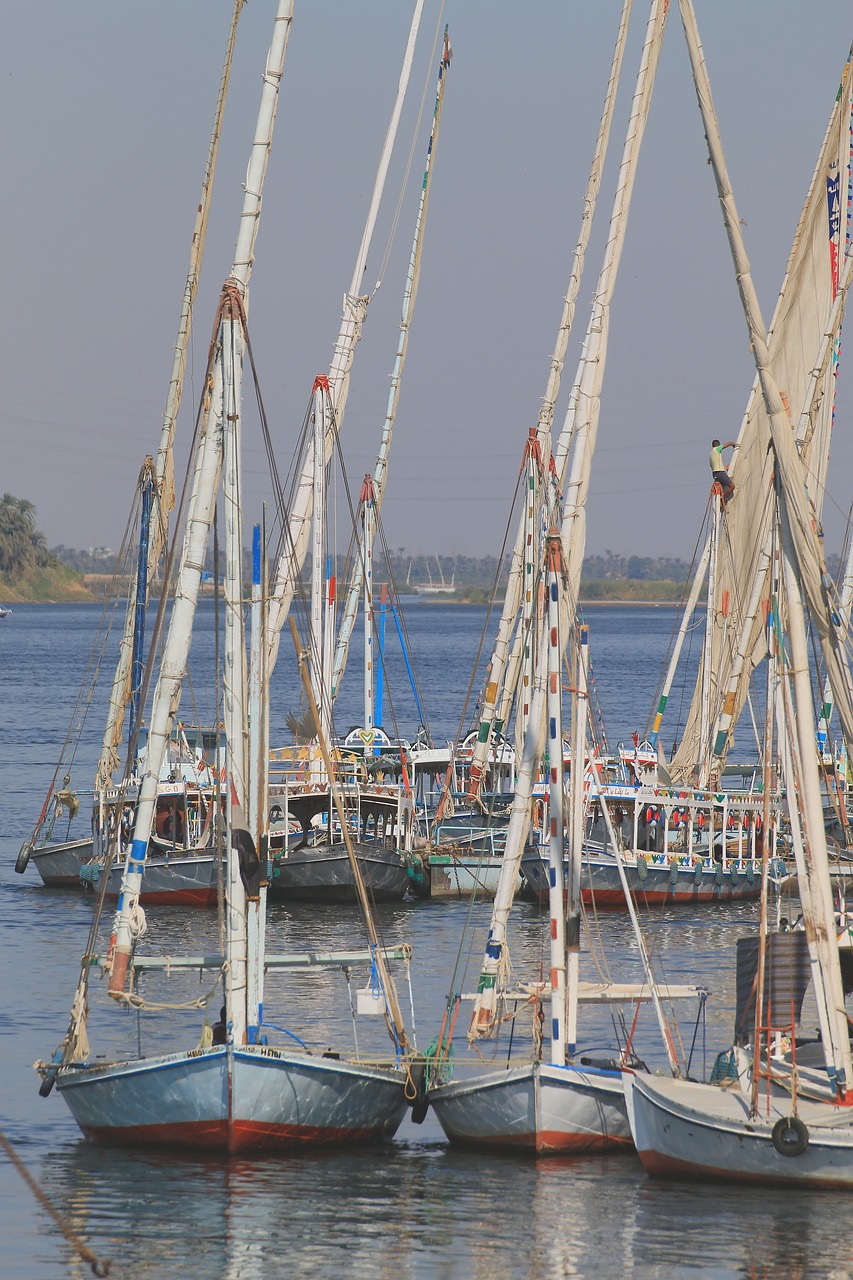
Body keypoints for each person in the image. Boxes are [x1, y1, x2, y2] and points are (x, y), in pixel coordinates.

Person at [709, 438, 736, 505]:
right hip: (720, 473)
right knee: (732, 486)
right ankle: (723, 498)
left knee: (725, 485)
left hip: (715, 474)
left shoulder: (710, 454)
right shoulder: (717, 449)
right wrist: (732, 444)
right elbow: (728, 444)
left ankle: (721, 501)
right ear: (718, 445)